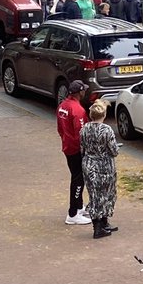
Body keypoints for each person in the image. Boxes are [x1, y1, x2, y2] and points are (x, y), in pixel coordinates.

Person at [80, 100, 120, 239]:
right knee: (107, 194)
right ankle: (99, 227)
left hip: (89, 164)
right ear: (104, 114)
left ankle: (102, 223)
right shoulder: (107, 130)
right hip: (104, 166)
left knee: (95, 195)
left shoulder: (84, 129)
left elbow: (82, 148)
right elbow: (114, 151)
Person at [57, 80, 92, 225]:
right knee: (78, 179)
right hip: (77, 149)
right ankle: (72, 213)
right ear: (80, 92)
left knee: (76, 176)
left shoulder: (62, 106)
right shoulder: (78, 110)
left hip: (67, 146)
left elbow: (60, 128)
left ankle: (78, 207)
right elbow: (81, 133)